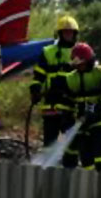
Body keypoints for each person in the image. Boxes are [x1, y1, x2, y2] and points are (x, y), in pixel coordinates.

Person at [60, 43, 101, 170]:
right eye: (77, 64)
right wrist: (66, 120)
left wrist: (99, 108)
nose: (80, 67)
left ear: (90, 60)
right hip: (82, 124)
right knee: (86, 160)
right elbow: (67, 102)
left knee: (100, 157)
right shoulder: (70, 79)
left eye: (82, 63)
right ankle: (89, 185)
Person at [30, 16, 79, 146]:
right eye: (65, 32)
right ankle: (47, 165)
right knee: (49, 143)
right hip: (51, 102)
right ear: (60, 33)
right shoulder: (48, 52)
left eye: (70, 32)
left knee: (71, 146)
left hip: (71, 104)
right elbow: (39, 75)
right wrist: (35, 90)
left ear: (75, 34)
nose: (68, 35)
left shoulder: (80, 52)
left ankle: (69, 166)